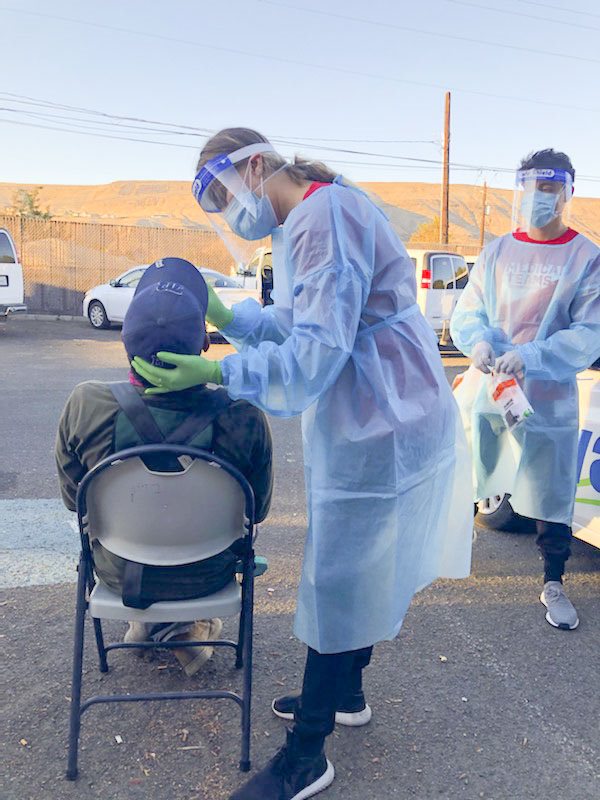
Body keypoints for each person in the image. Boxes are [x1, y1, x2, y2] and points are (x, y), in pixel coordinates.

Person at [132, 129, 473, 800]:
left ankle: (308, 753)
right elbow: (297, 322)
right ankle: (345, 694)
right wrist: (233, 319)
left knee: (339, 575)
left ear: (256, 165)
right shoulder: (308, 217)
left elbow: (313, 354)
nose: (230, 216)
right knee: (361, 566)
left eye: (224, 197)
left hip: (385, 415)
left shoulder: (323, 216)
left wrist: (220, 372)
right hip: (381, 405)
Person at [56, 257, 273, 676]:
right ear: (204, 345)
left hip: (119, 571)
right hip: (208, 573)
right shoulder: (242, 415)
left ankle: (154, 622)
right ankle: (182, 627)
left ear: (125, 342)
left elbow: (73, 500)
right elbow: (258, 508)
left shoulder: (85, 405)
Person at [451, 149, 600, 631]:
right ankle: (449, 548)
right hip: (492, 385)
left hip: (548, 395)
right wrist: (477, 341)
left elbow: (589, 331)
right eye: (533, 187)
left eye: (550, 188)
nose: (540, 197)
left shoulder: (585, 258)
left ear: (567, 193)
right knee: (472, 465)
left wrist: (532, 355)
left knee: (550, 486)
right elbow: (470, 309)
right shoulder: (497, 252)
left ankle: (553, 580)